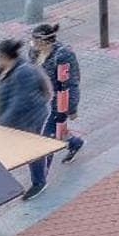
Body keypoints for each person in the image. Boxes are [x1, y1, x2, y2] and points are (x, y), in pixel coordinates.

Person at [0, 38, 54, 199]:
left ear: (5, 56)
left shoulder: (23, 72)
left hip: (29, 119)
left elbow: (19, 102)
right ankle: (70, 143)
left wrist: (2, 123)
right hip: (18, 121)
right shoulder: (9, 67)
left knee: (32, 151)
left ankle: (39, 183)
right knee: (32, 148)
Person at [31, 22, 87, 165]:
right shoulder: (33, 52)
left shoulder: (63, 55)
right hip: (42, 102)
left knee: (47, 140)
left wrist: (72, 108)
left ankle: (42, 175)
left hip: (58, 104)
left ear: (45, 41)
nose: (32, 43)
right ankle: (74, 143)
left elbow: (72, 83)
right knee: (56, 131)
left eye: (35, 40)